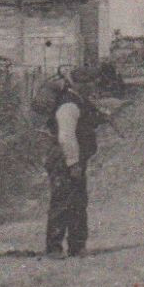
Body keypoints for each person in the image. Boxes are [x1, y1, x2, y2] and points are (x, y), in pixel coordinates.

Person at [45, 66, 100, 259]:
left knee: (78, 201)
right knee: (62, 202)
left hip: (74, 158)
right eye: (88, 83)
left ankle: (77, 246)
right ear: (79, 84)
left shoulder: (80, 101)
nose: (92, 86)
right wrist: (73, 163)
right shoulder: (69, 105)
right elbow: (66, 136)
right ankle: (54, 248)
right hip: (64, 158)